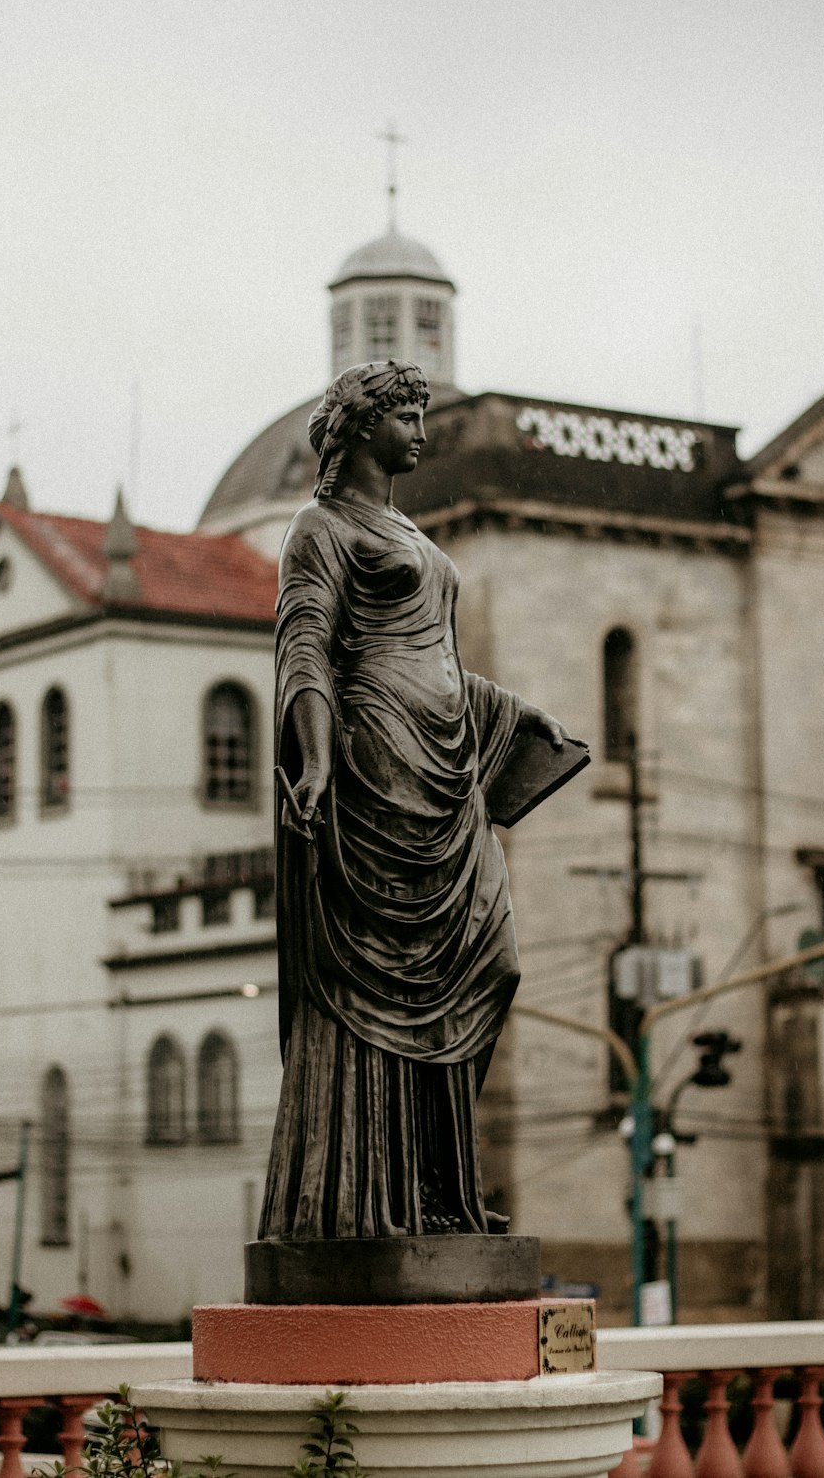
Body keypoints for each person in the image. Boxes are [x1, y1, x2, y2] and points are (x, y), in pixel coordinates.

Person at [258, 360, 572, 1241]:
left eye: (423, 412)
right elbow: (307, 649)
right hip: (372, 761)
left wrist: (506, 709)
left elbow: (429, 652)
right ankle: (375, 1198)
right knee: (382, 982)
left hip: (449, 765)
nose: (421, 429)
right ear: (361, 427)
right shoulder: (316, 529)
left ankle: (436, 1182)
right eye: (404, 413)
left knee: (490, 963)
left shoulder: (406, 525)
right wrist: (315, 759)